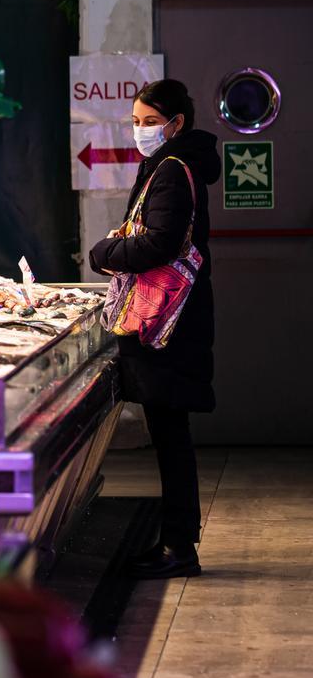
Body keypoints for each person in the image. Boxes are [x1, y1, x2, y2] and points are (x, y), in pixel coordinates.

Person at [89, 79, 220, 580]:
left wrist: (104, 253)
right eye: (135, 122)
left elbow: (161, 243)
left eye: (148, 122)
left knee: (171, 435)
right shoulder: (175, 165)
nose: (140, 131)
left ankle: (179, 547)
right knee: (170, 434)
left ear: (176, 124)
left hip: (170, 322)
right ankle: (176, 541)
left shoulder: (171, 169)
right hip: (179, 319)